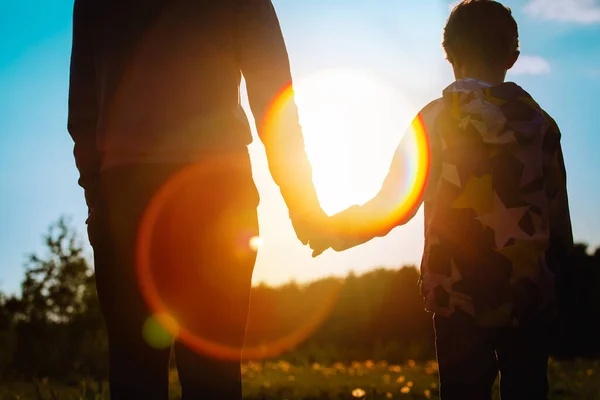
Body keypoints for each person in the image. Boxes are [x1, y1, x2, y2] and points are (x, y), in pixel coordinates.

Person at [310, 1, 573, 399]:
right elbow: (559, 225)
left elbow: (392, 207)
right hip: (528, 298)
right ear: (513, 57)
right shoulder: (543, 126)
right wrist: (561, 294)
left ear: (448, 55)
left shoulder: (433, 121)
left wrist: (336, 231)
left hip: (457, 295)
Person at [67, 0, 325, 399]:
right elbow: (274, 96)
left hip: (129, 194)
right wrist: (303, 204)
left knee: (135, 373)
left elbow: (82, 109)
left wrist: (98, 196)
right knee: (214, 377)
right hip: (215, 194)